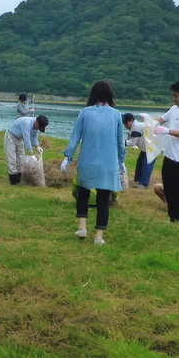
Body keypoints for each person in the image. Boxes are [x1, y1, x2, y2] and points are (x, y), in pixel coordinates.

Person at [60, 81, 125, 244]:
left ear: (93, 95)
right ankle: (98, 237)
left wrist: (67, 157)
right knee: (103, 199)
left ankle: (82, 228)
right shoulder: (116, 114)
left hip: (87, 161)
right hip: (108, 164)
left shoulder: (84, 112)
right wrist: (121, 160)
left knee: (83, 194)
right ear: (110, 95)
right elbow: (119, 141)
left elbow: (75, 137)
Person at [151, 80, 179, 222]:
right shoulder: (174, 108)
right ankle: (172, 216)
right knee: (169, 188)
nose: (174, 98)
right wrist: (147, 119)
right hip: (170, 154)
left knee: (177, 189)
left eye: (176, 96)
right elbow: (161, 119)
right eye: (173, 95)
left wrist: (167, 131)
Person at [4, 115, 48, 185]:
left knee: (21, 158)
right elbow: (27, 139)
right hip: (11, 136)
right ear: (36, 122)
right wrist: (31, 153)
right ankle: (13, 180)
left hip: (19, 138)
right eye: (39, 127)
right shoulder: (26, 124)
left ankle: (19, 177)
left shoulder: (35, 127)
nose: (38, 129)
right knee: (12, 158)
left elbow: (34, 137)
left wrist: (37, 146)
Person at [122, 112, 154, 188]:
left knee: (146, 165)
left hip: (151, 148)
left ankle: (144, 184)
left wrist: (120, 143)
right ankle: (139, 179)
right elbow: (129, 138)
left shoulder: (136, 127)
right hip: (146, 147)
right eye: (124, 123)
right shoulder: (134, 127)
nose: (125, 125)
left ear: (132, 120)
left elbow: (132, 142)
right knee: (140, 163)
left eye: (127, 123)